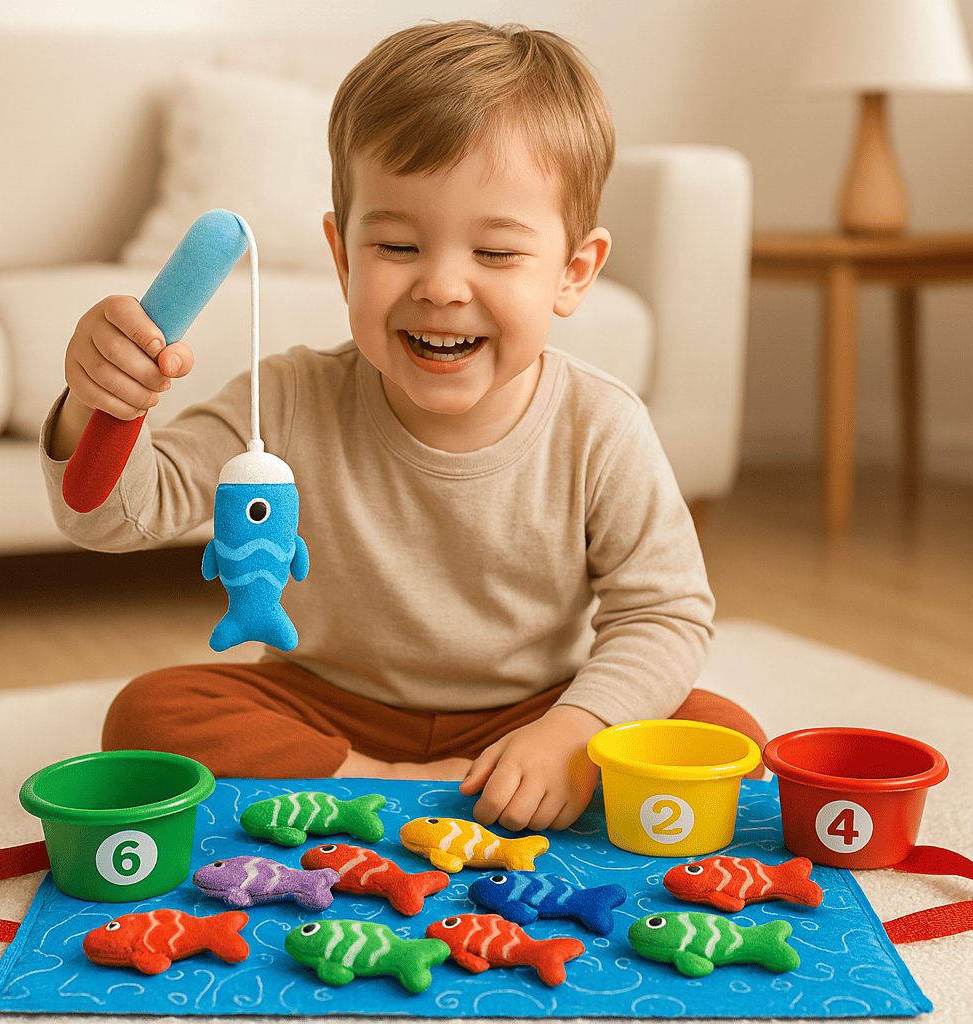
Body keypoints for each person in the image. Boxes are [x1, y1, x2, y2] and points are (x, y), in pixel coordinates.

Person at [42, 21, 765, 833]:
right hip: (331, 710)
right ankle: (376, 782)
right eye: (396, 244)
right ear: (344, 257)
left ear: (573, 273)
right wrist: (101, 405)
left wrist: (575, 730)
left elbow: (662, 614)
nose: (442, 286)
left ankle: (444, 783)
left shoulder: (601, 425)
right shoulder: (285, 398)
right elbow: (107, 517)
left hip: (529, 714)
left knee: (724, 734)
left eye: (495, 254)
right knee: (149, 713)